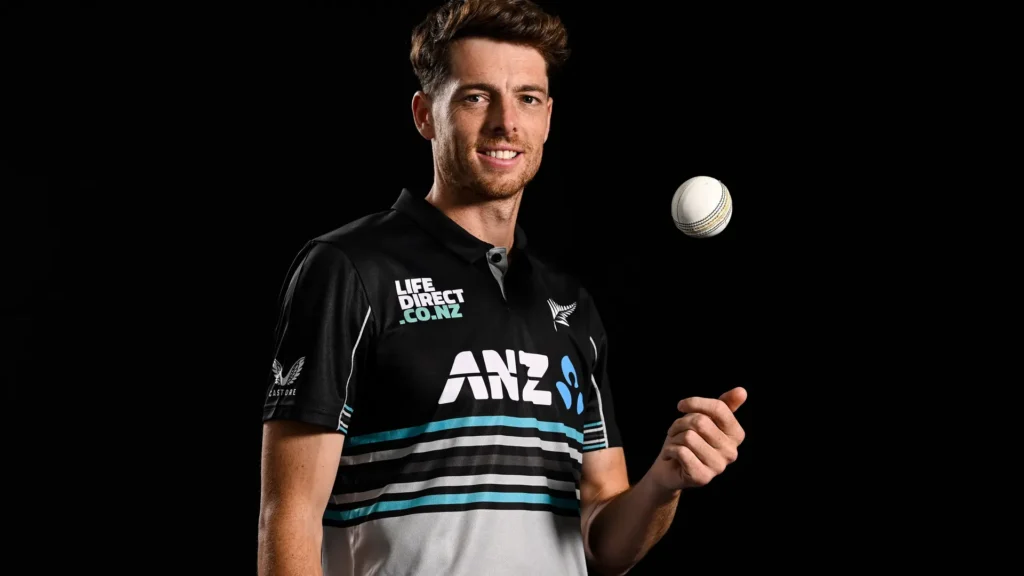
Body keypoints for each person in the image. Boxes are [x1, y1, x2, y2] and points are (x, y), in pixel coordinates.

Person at [257, 1, 747, 574]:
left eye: (528, 98)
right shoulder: (350, 270)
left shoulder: (569, 304)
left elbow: (603, 543)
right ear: (425, 114)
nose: (506, 123)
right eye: (476, 96)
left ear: (547, 118)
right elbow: (288, 516)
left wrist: (665, 481)